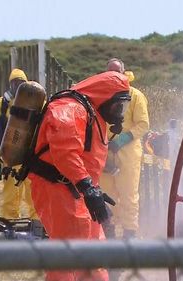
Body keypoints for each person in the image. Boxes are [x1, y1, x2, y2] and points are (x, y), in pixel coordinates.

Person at [28, 71, 130, 281]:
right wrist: (88, 187)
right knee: (67, 253)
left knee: (93, 250)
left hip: (77, 190)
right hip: (59, 189)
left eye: (123, 107)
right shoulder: (70, 109)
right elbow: (65, 153)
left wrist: (92, 190)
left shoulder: (91, 112)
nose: (119, 112)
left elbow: (85, 159)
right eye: (117, 106)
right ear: (104, 97)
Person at [101, 58, 149, 239]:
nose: (114, 76)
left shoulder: (135, 95)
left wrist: (123, 139)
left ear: (124, 72)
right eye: (110, 72)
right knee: (107, 194)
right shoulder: (102, 96)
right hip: (105, 153)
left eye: (117, 72)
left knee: (129, 194)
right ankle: (110, 232)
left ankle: (130, 234)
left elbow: (143, 124)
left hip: (128, 153)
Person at [0, 68, 37, 219]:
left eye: (20, 83)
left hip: (30, 157)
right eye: (14, 83)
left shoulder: (36, 101)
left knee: (33, 195)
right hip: (9, 157)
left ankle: (38, 226)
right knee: (10, 197)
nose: (17, 86)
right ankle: (9, 226)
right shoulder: (3, 103)